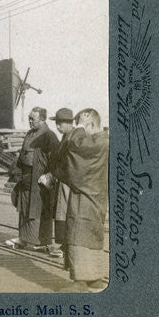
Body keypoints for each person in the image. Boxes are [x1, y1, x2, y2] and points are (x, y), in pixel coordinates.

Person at [50, 108, 108, 292]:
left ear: (91, 124)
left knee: (78, 233)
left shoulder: (98, 142)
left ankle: (80, 281)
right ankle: (94, 279)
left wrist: (79, 128)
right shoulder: (103, 142)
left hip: (85, 196)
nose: (81, 131)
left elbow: (77, 146)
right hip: (97, 196)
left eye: (84, 126)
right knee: (92, 235)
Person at [7, 107, 60, 255]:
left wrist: (49, 176)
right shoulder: (30, 133)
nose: (30, 121)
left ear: (42, 119)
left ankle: (41, 242)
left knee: (39, 210)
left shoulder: (49, 136)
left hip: (39, 179)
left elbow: (55, 160)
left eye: (33, 119)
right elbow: (22, 155)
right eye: (29, 118)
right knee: (24, 208)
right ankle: (24, 238)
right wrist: (15, 174)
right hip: (26, 177)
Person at [47, 108, 74, 263]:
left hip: (67, 182)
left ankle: (66, 247)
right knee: (61, 212)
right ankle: (64, 245)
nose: (58, 127)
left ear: (70, 123)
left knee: (65, 213)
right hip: (62, 180)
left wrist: (55, 173)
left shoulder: (71, 138)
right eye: (56, 123)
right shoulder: (65, 136)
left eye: (60, 123)